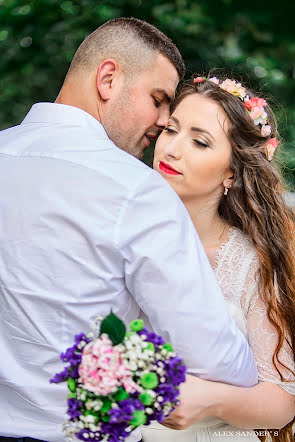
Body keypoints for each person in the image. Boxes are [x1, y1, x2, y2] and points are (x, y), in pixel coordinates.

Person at [0, 19, 258, 442]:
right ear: (107, 79)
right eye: (159, 101)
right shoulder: (135, 188)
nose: (161, 122)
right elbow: (220, 360)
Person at [141, 75, 295, 442]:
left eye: (199, 141)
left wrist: (208, 402)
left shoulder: (252, 263)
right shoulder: (121, 238)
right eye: (171, 130)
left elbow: (284, 398)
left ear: (231, 171)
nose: (172, 149)